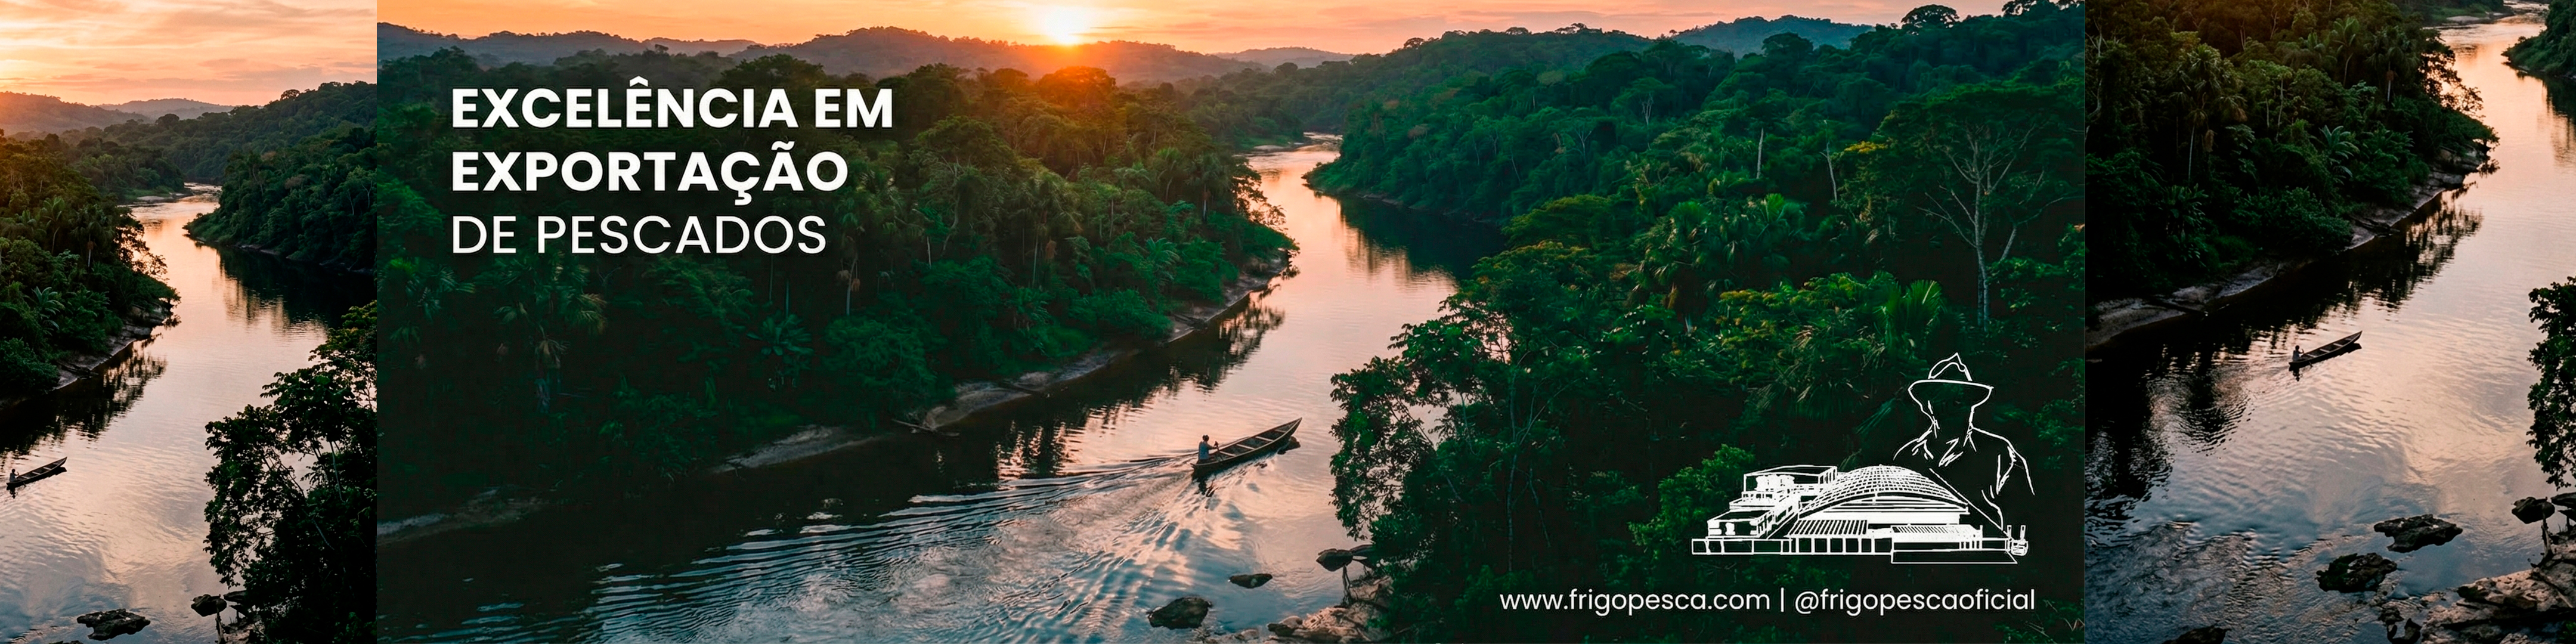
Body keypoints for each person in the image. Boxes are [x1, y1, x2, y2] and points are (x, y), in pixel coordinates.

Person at [1889, 354, 2032, 532]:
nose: (1952, 406)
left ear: (1972, 405)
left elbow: (2026, 516)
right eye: (1942, 399)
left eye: (1961, 400)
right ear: (1927, 406)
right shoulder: (1906, 458)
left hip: (1983, 558)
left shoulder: (2000, 452)